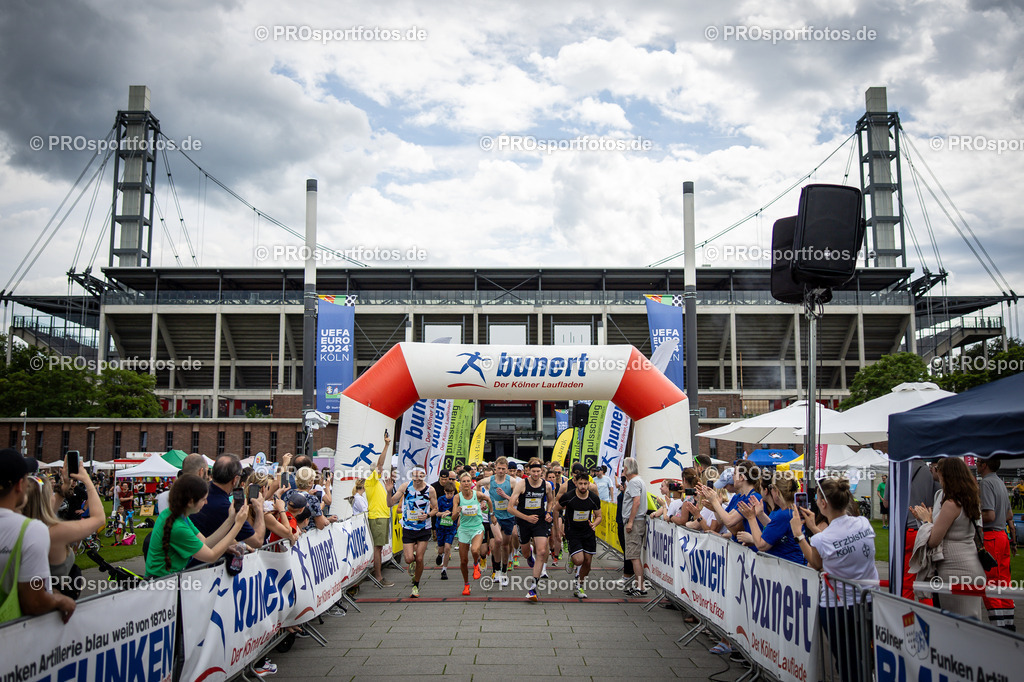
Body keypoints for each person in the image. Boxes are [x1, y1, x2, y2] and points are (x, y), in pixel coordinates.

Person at [791, 477, 877, 682]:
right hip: (867, 601)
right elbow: (835, 544)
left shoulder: (824, 538)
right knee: (865, 656)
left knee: (846, 662)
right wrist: (813, 528)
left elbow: (817, 561)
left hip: (837, 606)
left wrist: (799, 535)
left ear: (823, 504)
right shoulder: (863, 523)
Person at [0, 449, 75, 623]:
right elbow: (34, 601)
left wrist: (61, 491)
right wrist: (60, 599)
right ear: (20, 485)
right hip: (12, 636)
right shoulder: (30, 530)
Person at [910, 458, 987, 620]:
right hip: (971, 565)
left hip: (955, 570)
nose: (935, 471)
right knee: (971, 622)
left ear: (947, 475)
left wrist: (926, 521)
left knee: (958, 625)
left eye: (938, 468)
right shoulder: (970, 499)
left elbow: (933, 540)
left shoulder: (951, 504)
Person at [22, 466, 105, 599]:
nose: (54, 497)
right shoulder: (54, 532)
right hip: (51, 604)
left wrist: (64, 487)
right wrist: (88, 481)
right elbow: (99, 519)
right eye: (51, 493)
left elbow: (49, 507)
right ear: (45, 500)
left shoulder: (22, 526)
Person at [146, 474, 251, 578]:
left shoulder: (176, 514)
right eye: (203, 499)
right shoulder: (178, 527)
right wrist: (238, 524)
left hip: (164, 582)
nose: (206, 502)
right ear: (191, 501)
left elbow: (205, 542)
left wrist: (231, 519)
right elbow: (211, 556)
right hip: (162, 585)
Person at [190, 454, 266, 551]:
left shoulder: (198, 491)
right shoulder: (226, 508)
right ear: (235, 479)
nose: (204, 502)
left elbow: (205, 540)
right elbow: (257, 541)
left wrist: (226, 546)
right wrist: (259, 509)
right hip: (202, 562)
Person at [508, 457, 555, 602]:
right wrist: (526, 518)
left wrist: (548, 513)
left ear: (542, 472)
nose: (536, 474)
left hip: (540, 521)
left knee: (541, 551)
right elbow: (510, 508)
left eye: (538, 472)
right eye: (533, 471)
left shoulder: (547, 485)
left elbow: (551, 500)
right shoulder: (521, 484)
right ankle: (528, 557)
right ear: (529, 471)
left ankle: (533, 587)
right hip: (524, 521)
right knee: (527, 551)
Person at [977, 456, 1016, 630]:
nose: (976, 465)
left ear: (984, 465)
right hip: (1002, 536)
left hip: (991, 536)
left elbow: (989, 515)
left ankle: (998, 627)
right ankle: (1008, 624)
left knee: (991, 583)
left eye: (978, 462)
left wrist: (973, 516)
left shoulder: (986, 483)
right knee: (1004, 582)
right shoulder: (1000, 482)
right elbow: (1009, 515)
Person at [389, 467, 437, 598]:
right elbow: (390, 503)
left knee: (420, 558)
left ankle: (416, 585)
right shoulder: (405, 487)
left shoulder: (430, 490)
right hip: (408, 528)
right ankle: (414, 564)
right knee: (409, 559)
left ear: (424, 476)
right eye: (414, 476)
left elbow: (435, 509)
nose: (416, 479)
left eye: (419, 476)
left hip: (423, 528)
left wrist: (427, 515)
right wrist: (389, 492)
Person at [736, 476, 805, 565]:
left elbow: (761, 545)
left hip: (787, 568)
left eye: (771, 488)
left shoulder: (783, 514)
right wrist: (760, 514)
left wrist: (751, 518)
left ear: (777, 492)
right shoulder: (789, 511)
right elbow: (775, 529)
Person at [554, 469, 601, 598]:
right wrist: (558, 529)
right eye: (581, 483)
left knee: (588, 564)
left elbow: (599, 516)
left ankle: (579, 586)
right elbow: (556, 509)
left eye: (585, 484)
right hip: (573, 531)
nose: (583, 486)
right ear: (575, 483)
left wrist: (595, 524)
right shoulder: (569, 497)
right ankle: (572, 557)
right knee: (579, 560)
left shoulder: (593, 498)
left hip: (588, 532)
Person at [902, 459, 940, 603]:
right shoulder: (930, 472)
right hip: (926, 529)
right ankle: (927, 617)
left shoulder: (898, 469)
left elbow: (886, 502)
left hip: (907, 530)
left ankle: (907, 617)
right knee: (926, 577)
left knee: (907, 580)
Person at [363, 432, 396, 587]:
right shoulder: (371, 481)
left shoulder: (379, 483)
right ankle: (378, 577)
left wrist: (389, 491)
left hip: (382, 516)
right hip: (377, 517)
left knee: (379, 548)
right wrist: (387, 445)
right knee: (378, 548)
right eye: (379, 470)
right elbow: (380, 464)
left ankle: (378, 576)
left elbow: (389, 503)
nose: (382, 471)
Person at [478, 456, 515, 586]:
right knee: (497, 541)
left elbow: (517, 500)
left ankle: (504, 571)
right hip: (494, 515)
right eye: (498, 468)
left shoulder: (512, 482)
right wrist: (482, 500)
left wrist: (505, 496)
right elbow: (477, 484)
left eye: (503, 469)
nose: (500, 471)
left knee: (505, 545)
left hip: (509, 516)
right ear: (495, 468)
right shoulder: (490, 480)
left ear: (507, 470)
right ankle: (497, 571)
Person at [452, 472, 489, 596]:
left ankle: (476, 564)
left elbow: (488, 499)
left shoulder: (477, 495)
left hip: (477, 527)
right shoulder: (457, 497)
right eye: (464, 481)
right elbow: (452, 518)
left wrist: (491, 512)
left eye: (468, 481)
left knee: (474, 550)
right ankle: (466, 584)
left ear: (471, 483)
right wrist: (457, 512)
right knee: (463, 560)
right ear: (460, 484)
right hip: (464, 529)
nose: (466, 483)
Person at [620, 457, 647, 597]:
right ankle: (638, 584)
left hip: (635, 522)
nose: (623, 470)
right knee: (634, 555)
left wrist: (630, 521)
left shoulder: (634, 482)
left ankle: (640, 586)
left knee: (633, 555)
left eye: (624, 467)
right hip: (637, 520)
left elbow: (636, 501)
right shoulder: (637, 481)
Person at [434, 481, 457, 580]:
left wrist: (451, 513)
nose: (449, 495)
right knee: (441, 549)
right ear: (444, 492)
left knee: (447, 548)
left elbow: (457, 512)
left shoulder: (456, 500)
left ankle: (444, 570)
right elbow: (436, 512)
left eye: (451, 493)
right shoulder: (440, 499)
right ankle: (439, 554)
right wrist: (442, 513)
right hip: (441, 527)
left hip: (450, 528)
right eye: (447, 493)